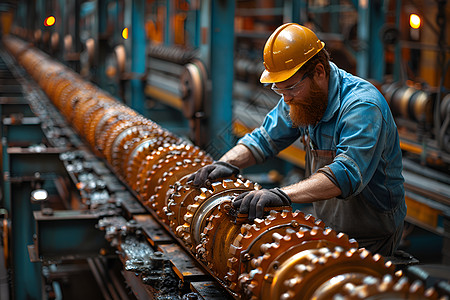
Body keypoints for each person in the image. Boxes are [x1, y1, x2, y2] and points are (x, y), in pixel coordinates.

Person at [188, 23, 406, 256]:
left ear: (319, 72)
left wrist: (281, 195)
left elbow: (345, 175)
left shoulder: (361, 106)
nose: (286, 98)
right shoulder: (299, 96)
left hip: (371, 235)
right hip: (330, 226)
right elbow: (264, 139)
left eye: (290, 88)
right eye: (279, 90)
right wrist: (226, 163)